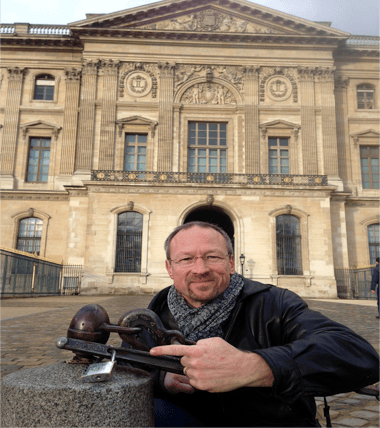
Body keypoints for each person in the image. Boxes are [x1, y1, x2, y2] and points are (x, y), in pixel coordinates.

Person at [138, 221, 378, 427]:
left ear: (231, 262)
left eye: (212, 257)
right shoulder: (155, 313)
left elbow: (358, 355)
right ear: (170, 268)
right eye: (186, 259)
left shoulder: (274, 303)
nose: (200, 269)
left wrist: (257, 367)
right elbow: (132, 367)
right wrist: (162, 379)